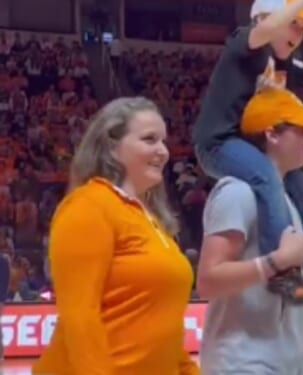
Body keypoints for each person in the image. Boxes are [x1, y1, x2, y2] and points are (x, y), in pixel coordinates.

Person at [192, 0, 303, 300]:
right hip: (218, 143)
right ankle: (282, 268)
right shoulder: (245, 44)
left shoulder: (282, 63)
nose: (299, 34)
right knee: (266, 176)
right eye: (294, 24)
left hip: (249, 146)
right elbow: (267, 28)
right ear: (263, 18)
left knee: (300, 184)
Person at [196, 88, 303, 374]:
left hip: (288, 361)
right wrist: (277, 260)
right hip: (242, 362)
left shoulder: (289, 200)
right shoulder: (236, 192)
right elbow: (208, 281)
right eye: (302, 130)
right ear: (272, 134)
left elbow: (291, 290)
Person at [33, 97, 198, 374]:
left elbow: (163, 331)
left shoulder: (151, 221)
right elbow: (80, 319)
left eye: (163, 141)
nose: (164, 151)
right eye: (149, 139)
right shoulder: (88, 206)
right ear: (112, 146)